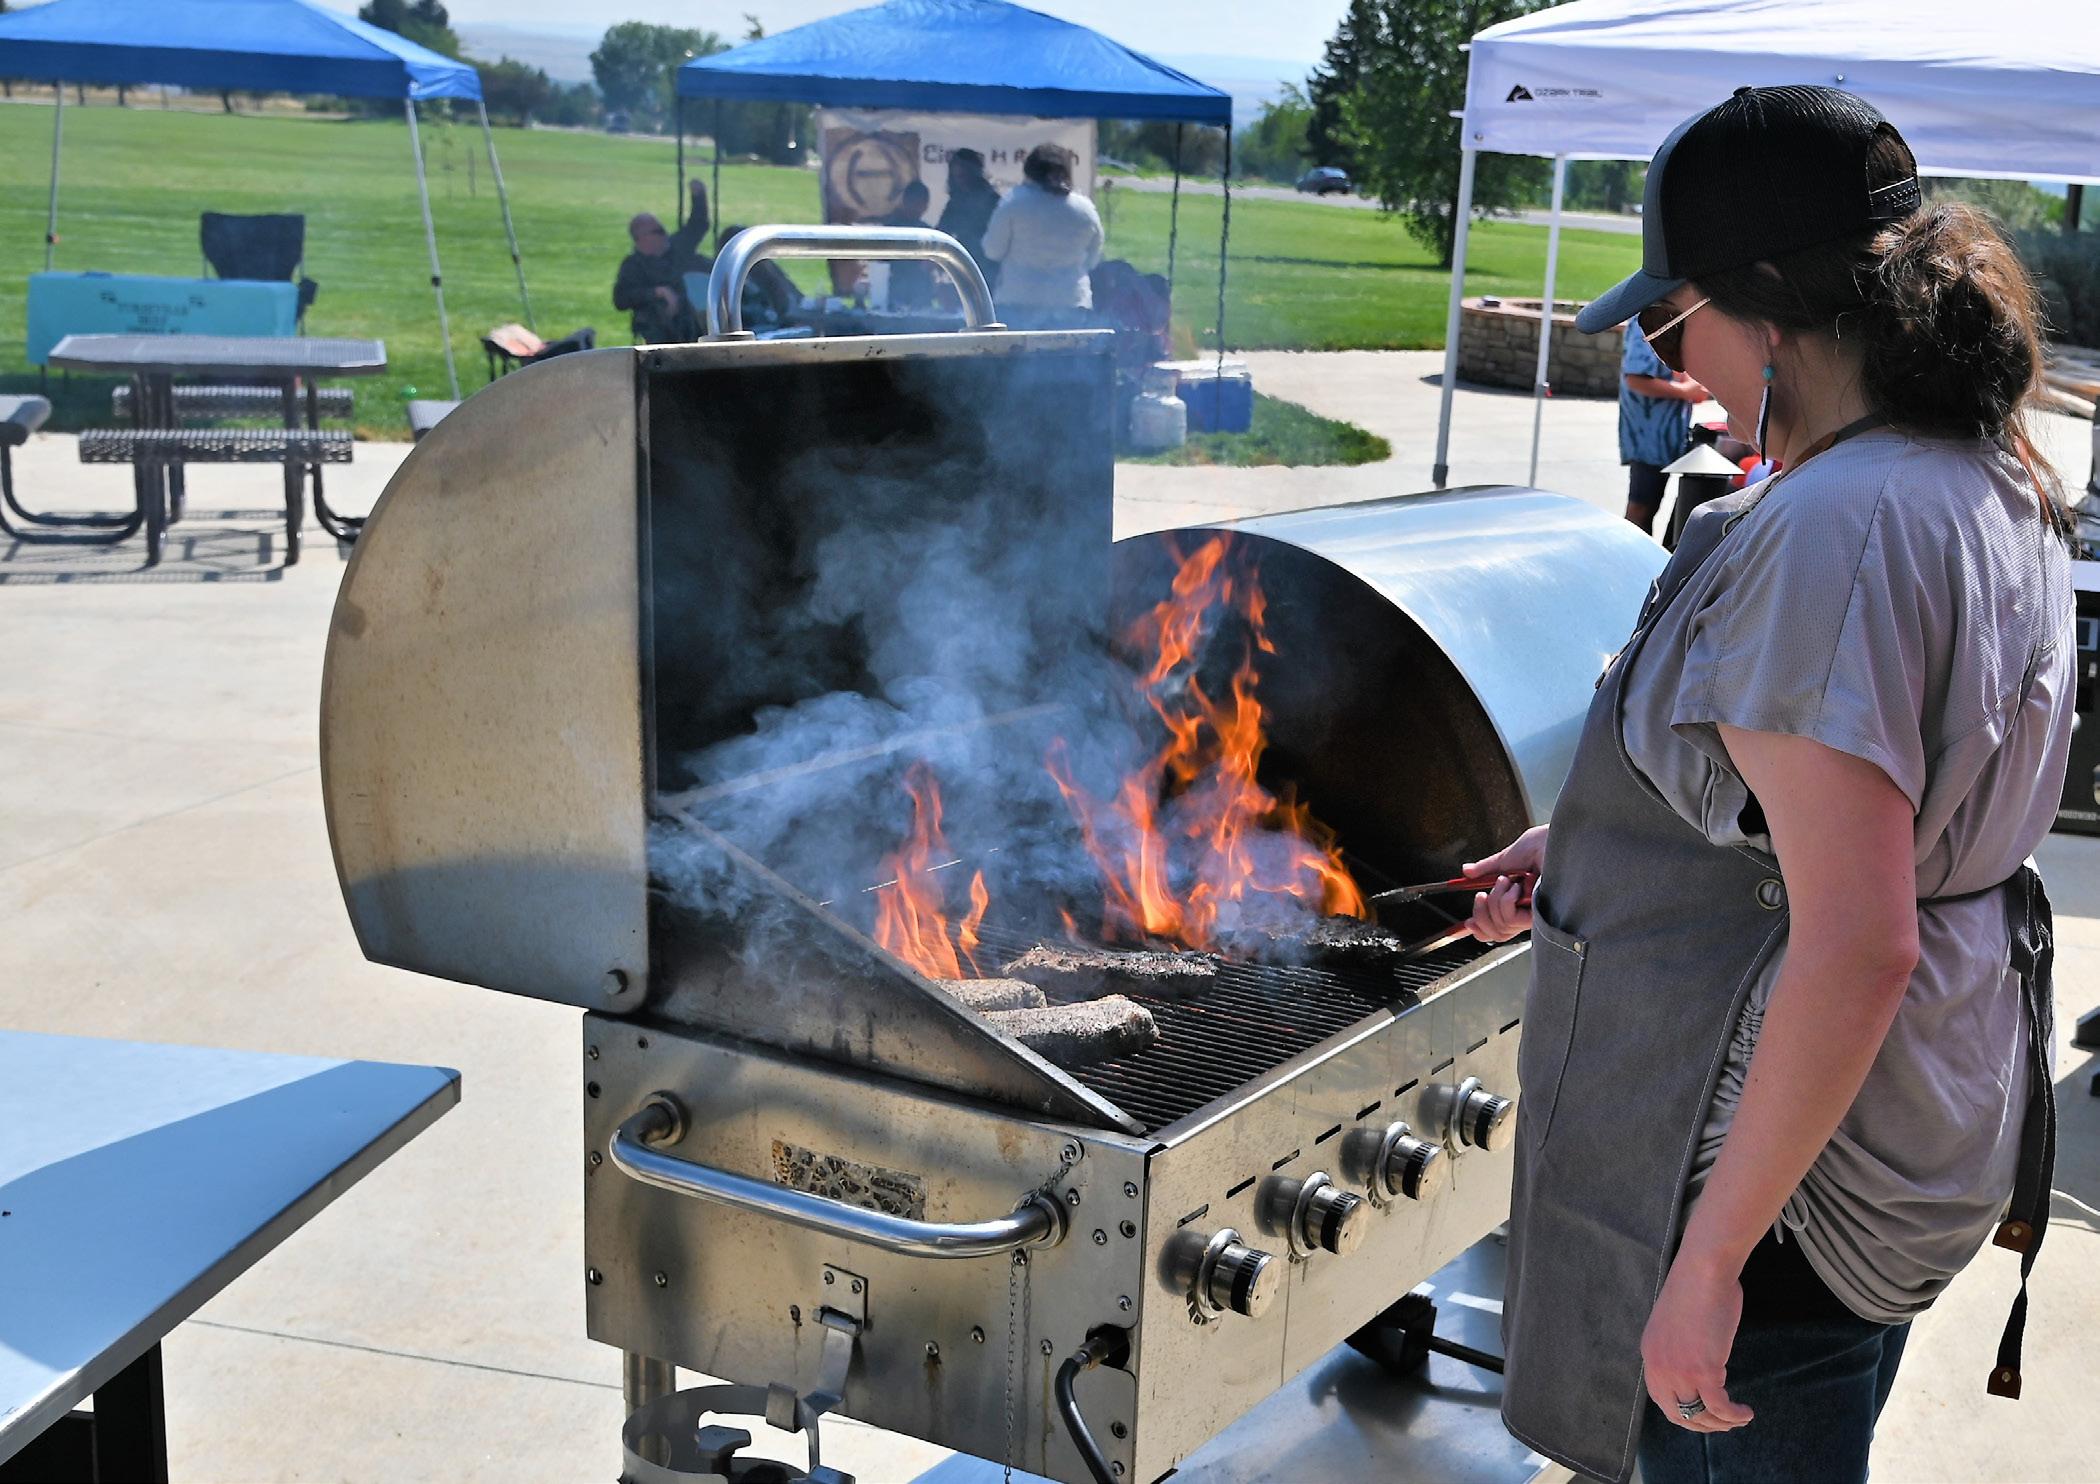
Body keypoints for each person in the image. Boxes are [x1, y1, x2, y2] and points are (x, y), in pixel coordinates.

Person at [1464, 86, 2071, 1484]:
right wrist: (1594, 844)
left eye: (1672, 322)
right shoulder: (1983, 467)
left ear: (1771, 313)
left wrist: (1711, 1263)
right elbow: (1855, 820)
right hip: (1907, 1113)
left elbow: (1857, 941)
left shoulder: (1837, 529)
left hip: (1788, 1189)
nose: (1673, 365)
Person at [982, 143, 1104, 328]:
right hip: (1070, 301)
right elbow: (1093, 258)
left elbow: (992, 251)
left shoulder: (1013, 203)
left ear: (1029, 171)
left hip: (1019, 300)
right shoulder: (1085, 209)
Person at [1620, 316, 1709, 532]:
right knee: (1641, 507)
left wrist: (1690, 385)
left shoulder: (1667, 318)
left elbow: (1677, 369)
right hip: (1648, 437)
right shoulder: (1645, 321)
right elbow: (1636, 379)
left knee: (1652, 506)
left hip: (1666, 437)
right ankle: (1631, 553)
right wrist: (1685, 391)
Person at [613, 180, 711, 344]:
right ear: (641, 238)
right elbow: (621, 299)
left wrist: (698, 196)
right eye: (658, 231)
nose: (665, 234)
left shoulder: (678, 247)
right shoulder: (633, 265)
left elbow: (698, 225)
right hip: (659, 330)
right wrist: (657, 292)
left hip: (695, 321)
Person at [936, 147, 1002, 281]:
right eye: (957, 176)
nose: (960, 180)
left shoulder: (991, 199)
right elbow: (943, 229)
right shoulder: (956, 201)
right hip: (965, 264)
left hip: (989, 266)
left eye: (964, 175)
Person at [878, 181, 938, 311]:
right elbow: (880, 263)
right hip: (896, 291)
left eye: (921, 204)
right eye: (914, 203)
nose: (917, 208)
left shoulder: (928, 232)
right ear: (905, 202)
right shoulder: (890, 229)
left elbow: (933, 263)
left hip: (922, 293)